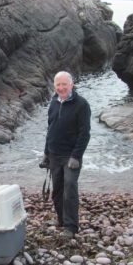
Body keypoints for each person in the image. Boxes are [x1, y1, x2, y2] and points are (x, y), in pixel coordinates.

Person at [40, 71, 91, 239]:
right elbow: (50, 129)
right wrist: (46, 153)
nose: (61, 88)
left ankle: (71, 227)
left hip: (71, 156)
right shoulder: (54, 102)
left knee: (70, 189)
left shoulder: (81, 104)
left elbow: (85, 134)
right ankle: (61, 220)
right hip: (54, 155)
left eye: (64, 84)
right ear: (54, 86)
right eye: (58, 85)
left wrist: (76, 156)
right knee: (57, 191)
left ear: (72, 84)